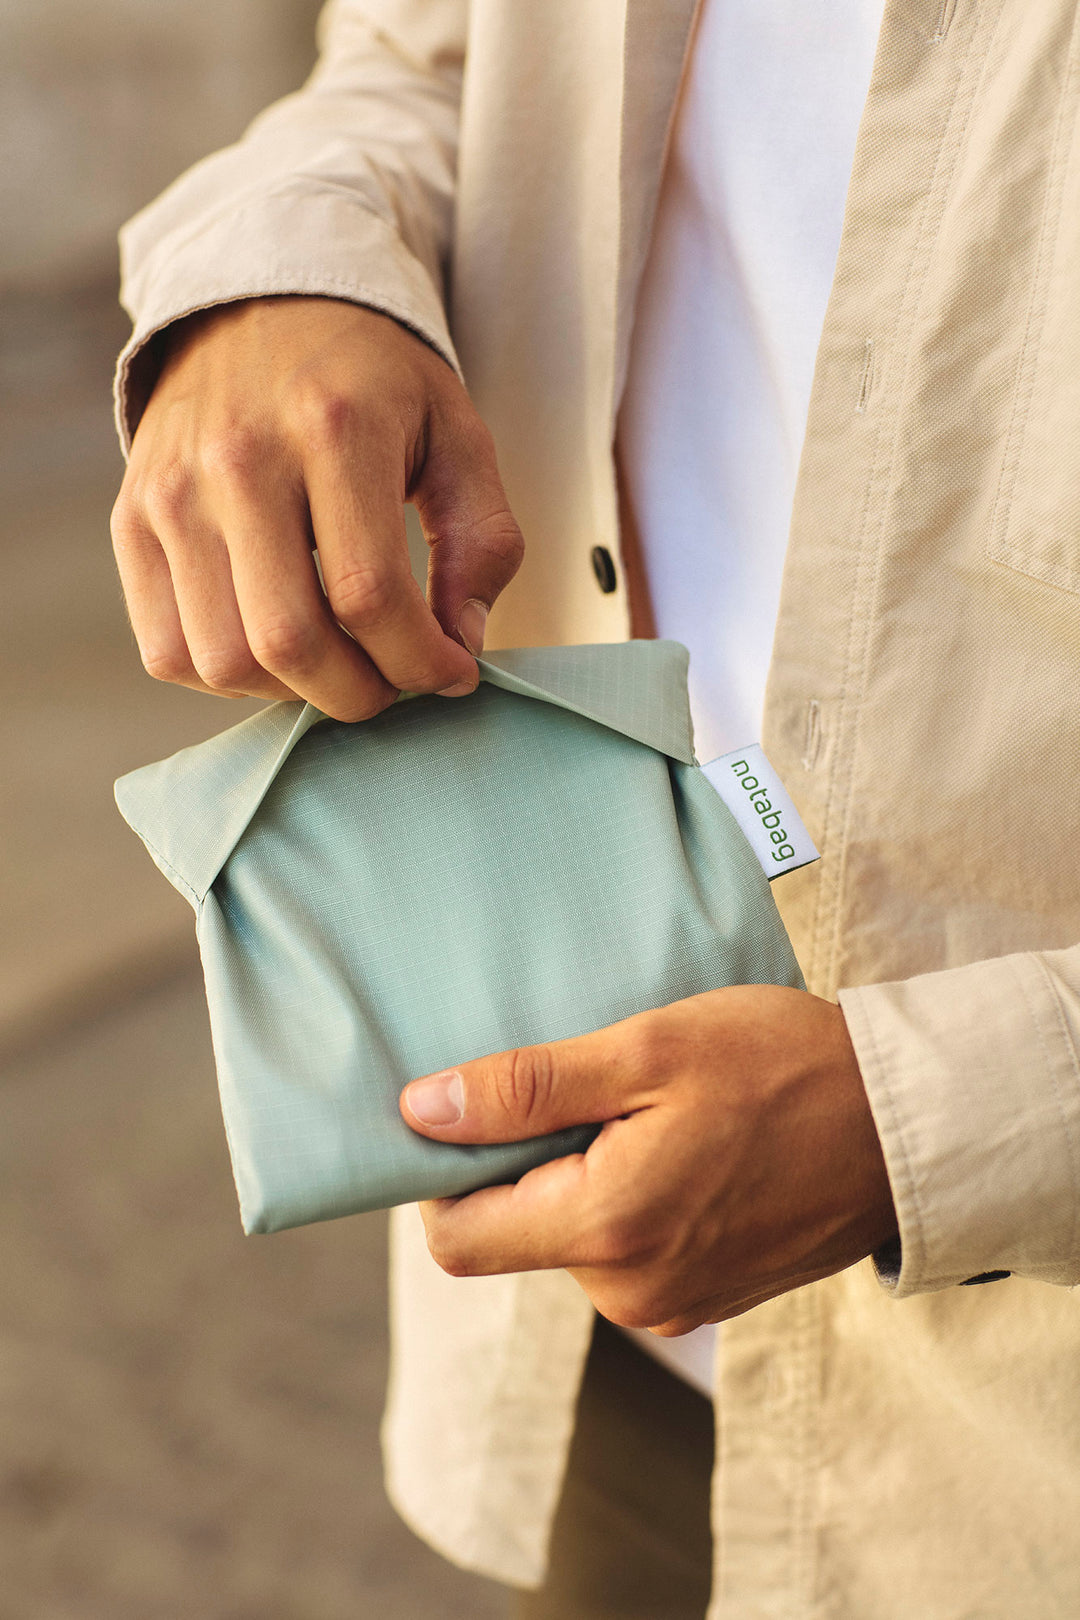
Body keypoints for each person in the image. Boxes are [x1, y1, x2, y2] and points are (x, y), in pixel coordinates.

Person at [110, 2, 1080, 1615]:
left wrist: (931, 1124)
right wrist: (275, 278)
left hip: (1020, 1460)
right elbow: (423, 58)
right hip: (600, 1366)